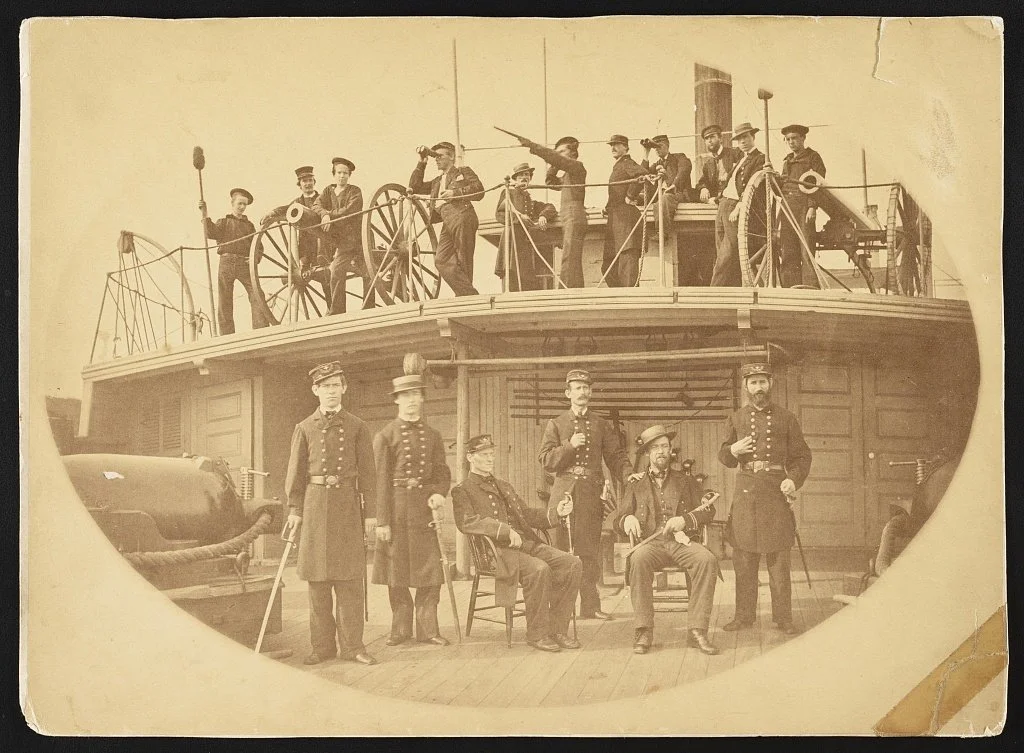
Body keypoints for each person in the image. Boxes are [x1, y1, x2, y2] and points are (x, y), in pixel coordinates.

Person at [284, 361, 378, 666]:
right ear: (315, 390)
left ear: (345, 388)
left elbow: (368, 473)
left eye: (336, 385)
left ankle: (354, 647)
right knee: (318, 584)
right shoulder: (305, 428)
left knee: (350, 582)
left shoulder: (357, 426)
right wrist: (296, 510)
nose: (332, 392)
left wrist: (371, 515)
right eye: (326, 386)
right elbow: (295, 475)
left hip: (348, 510)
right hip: (313, 510)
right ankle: (322, 647)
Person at [451, 434, 581, 652]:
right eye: (484, 455)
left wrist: (556, 512)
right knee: (539, 569)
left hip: (526, 545)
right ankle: (538, 634)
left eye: (492, 454)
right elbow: (467, 522)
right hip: (497, 553)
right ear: (470, 458)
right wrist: (503, 530)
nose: (490, 459)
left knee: (571, 563)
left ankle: (557, 629)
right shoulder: (463, 490)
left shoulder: (504, 485)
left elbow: (527, 514)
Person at [717, 362, 812, 635]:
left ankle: (783, 618)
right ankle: (744, 616)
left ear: (771, 384)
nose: (759, 388)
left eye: (763, 382)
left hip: (775, 492)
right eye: (753, 382)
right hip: (746, 492)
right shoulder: (735, 419)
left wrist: (792, 479)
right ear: (746, 386)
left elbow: (802, 457)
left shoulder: (786, 418)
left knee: (779, 560)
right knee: (744, 559)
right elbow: (723, 457)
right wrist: (733, 449)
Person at [611, 425, 720, 655]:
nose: (661, 451)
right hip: (650, 545)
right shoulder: (635, 483)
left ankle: (697, 630)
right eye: (655, 448)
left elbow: (708, 510)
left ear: (671, 451)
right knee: (638, 559)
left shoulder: (686, 481)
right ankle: (644, 630)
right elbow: (617, 519)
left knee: (707, 560)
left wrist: (685, 520)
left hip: (681, 542)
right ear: (648, 453)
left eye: (665, 447)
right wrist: (627, 519)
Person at [538, 369, 634, 620]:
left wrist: (628, 474)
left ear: (591, 392)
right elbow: (546, 460)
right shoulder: (556, 424)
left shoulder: (600, 424)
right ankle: (560, 609)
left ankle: (590, 606)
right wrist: (569, 446)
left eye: (586, 388)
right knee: (561, 552)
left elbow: (615, 456)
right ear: (568, 393)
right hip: (565, 496)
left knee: (589, 551)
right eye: (577, 388)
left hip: (591, 494)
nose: (583, 392)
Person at [371, 371, 453, 646]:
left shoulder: (433, 435)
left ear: (422, 398)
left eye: (415, 395)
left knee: (430, 572)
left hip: (423, 513)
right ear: (397, 401)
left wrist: (439, 493)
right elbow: (379, 481)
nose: (411, 401)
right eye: (405, 396)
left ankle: (428, 630)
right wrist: (382, 521)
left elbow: (442, 473)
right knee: (397, 574)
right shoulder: (385, 436)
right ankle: (400, 630)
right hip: (395, 511)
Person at [511, 133, 588, 289]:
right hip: (568, 214)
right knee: (569, 254)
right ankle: (572, 289)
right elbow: (551, 181)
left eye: (562, 152)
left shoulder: (577, 167)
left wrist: (532, 145)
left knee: (570, 255)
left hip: (574, 213)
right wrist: (555, 163)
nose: (558, 155)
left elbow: (556, 159)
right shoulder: (568, 174)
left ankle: (567, 291)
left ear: (572, 153)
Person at [409, 141, 485, 296]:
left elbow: (479, 191)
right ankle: (469, 294)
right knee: (441, 260)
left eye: (439, 156)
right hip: (447, 220)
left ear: (451, 157)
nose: (436, 159)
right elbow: (415, 187)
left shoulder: (462, 171)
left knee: (463, 257)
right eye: (435, 157)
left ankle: (465, 298)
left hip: (463, 216)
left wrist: (455, 193)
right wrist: (422, 162)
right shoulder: (437, 182)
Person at [200, 187, 267, 335]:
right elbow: (210, 232)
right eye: (240, 204)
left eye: (245, 204)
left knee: (257, 294)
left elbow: (258, 246)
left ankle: (261, 330)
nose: (242, 207)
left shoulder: (249, 226)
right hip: (226, 262)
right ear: (232, 203)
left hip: (244, 264)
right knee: (225, 300)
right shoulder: (223, 222)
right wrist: (205, 214)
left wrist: (254, 258)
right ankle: (226, 335)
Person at [261, 166, 331, 304]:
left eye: (310, 180)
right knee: (307, 259)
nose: (308, 183)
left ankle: (332, 307)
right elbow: (285, 209)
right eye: (304, 181)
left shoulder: (322, 199)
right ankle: (305, 265)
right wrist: (271, 213)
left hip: (324, 243)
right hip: (306, 247)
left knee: (327, 283)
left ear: (314, 182)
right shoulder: (297, 203)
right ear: (300, 185)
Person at [709, 122, 766, 287]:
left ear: (753, 137)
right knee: (722, 251)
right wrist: (718, 199)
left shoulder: (759, 158)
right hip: (723, 205)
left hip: (735, 206)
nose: (742, 142)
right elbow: (730, 182)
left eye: (745, 137)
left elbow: (752, 185)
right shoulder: (741, 158)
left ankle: (716, 291)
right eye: (739, 139)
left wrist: (739, 206)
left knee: (731, 251)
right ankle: (732, 289)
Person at [319, 157, 372, 314]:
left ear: (349, 175)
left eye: (345, 173)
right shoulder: (329, 190)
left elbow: (350, 211)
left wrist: (329, 214)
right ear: (334, 174)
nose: (342, 176)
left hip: (358, 238)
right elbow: (317, 204)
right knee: (335, 270)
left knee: (368, 271)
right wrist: (324, 215)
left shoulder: (355, 191)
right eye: (339, 173)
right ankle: (338, 311)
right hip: (344, 243)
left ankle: (369, 308)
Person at [494, 162, 558, 291]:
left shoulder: (530, 200)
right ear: (515, 179)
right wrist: (519, 217)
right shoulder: (509, 192)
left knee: (525, 271)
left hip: (525, 240)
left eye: (527, 175)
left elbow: (550, 207)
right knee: (512, 269)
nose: (525, 177)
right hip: (513, 237)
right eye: (521, 175)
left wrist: (543, 216)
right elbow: (500, 214)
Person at [778, 124, 828, 288]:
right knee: (788, 250)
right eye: (788, 139)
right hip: (787, 208)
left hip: (804, 208)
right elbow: (782, 187)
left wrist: (812, 207)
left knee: (806, 250)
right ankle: (791, 289)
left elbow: (818, 184)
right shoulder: (787, 161)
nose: (791, 142)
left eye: (794, 138)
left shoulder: (813, 157)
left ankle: (811, 289)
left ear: (803, 139)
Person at [640, 135, 693, 285]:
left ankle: (662, 233)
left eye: (660, 146)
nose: (658, 150)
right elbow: (641, 174)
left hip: (678, 194)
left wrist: (673, 182)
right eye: (655, 148)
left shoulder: (678, 158)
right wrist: (646, 153)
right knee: (658, 203)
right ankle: (661, 230)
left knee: (664, 199)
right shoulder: (655, 164)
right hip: (662, 201)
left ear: (668, 145)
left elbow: (685, 169)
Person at [694, 125, 743, 286]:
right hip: (720, 205)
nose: (710, 141)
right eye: (707, 139)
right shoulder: (708, 164)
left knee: (730, 246)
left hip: (735, 202)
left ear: (720, 138)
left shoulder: (735, 154)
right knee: (721, 245)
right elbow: (702, 182)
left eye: (713, 137)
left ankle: (718, 285)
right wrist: (704, 188)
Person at [604, 135, 649, 287]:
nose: (613, 147)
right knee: (608, 267)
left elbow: (642, 174)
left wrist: (630, 195)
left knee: (627, 266)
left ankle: (631, 300)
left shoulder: (626, 162)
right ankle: (620, 299)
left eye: (617, 144)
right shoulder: (618, 166)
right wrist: (607, 206)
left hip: (626, 219)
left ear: (626, 148)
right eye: (612, 145)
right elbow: (617, 190)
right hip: (615, 219)